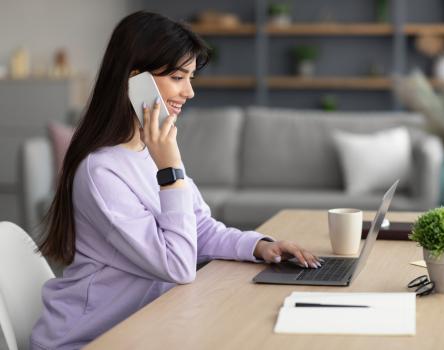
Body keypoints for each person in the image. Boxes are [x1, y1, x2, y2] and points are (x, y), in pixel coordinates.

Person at [30, 11, 321, 349]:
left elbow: (199, 229)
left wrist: (260, 246)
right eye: (179, 77)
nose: (189, 92)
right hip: (88, 340)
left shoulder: (145, 151)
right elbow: (179, 265)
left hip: (144, 327)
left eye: (191, 78)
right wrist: (170, 168)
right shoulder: (101, 172)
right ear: (136, 81)